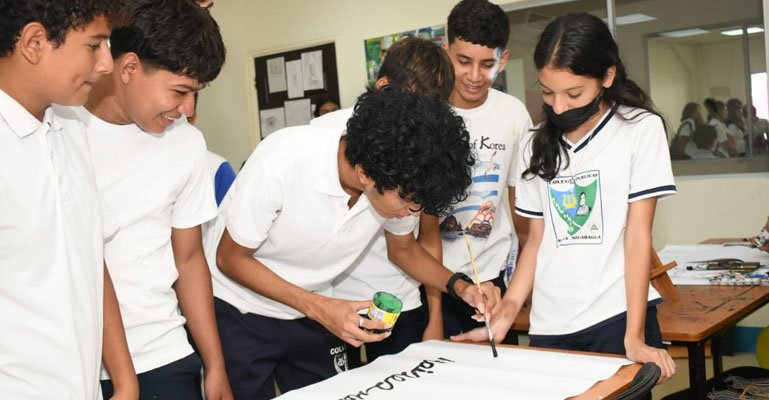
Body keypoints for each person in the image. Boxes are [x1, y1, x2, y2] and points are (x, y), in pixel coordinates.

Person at [205, 88, 499, 399]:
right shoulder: (282, 162)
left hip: (313, 313)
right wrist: (320, 307)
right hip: (240, 312)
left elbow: (404, 251)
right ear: (364, 174)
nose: (412, 212)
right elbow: (230, 258)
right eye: (410, 203)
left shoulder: (397, 179)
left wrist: (460, 286)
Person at [453, 12, 677, 384]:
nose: (558, 107)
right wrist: (507, 310)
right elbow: (536, 240)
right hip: (550, 324)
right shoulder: (533, 143)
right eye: (547, 92)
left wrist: (634, 336)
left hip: (616, 316)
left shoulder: (639, 130)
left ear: (607, 77)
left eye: (573, 94)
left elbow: (638, 236)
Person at [67, 1, 232, 398]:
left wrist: (215, 365)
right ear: (129, 68)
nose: (188, 110)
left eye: (196, 94)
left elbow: (189, 260)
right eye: (180, 91)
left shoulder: (187, 145)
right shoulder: (63, 128)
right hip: (73, 362)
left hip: (162, 354)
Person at [0, 1, 138, 398]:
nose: (107, 64)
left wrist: (125, 381)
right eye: (95, 45)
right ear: (35, 43)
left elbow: (90, 257)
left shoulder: (71, 125)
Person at [315, 36, 455, 368]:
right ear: (383, 87)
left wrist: (436, 312)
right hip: (331, 302)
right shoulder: (325, 139)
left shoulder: (425, 145)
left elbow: (415, 243)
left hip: (400, 301)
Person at [426, 0, 533, 341]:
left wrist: (521, 286)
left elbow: (524, 214)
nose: (474, 76)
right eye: (463, 61)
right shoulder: (426, 111)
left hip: (493, 281)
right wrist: (434, 315)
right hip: (430, 280)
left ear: (502, 59)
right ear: (446, 51)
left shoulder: (514, 114)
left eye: (487, 64)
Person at [188, 92, 236, 206]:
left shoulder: (218, 169)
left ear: (193, 118)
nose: (179, 126)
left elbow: (234, 221)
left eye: (186, 119)